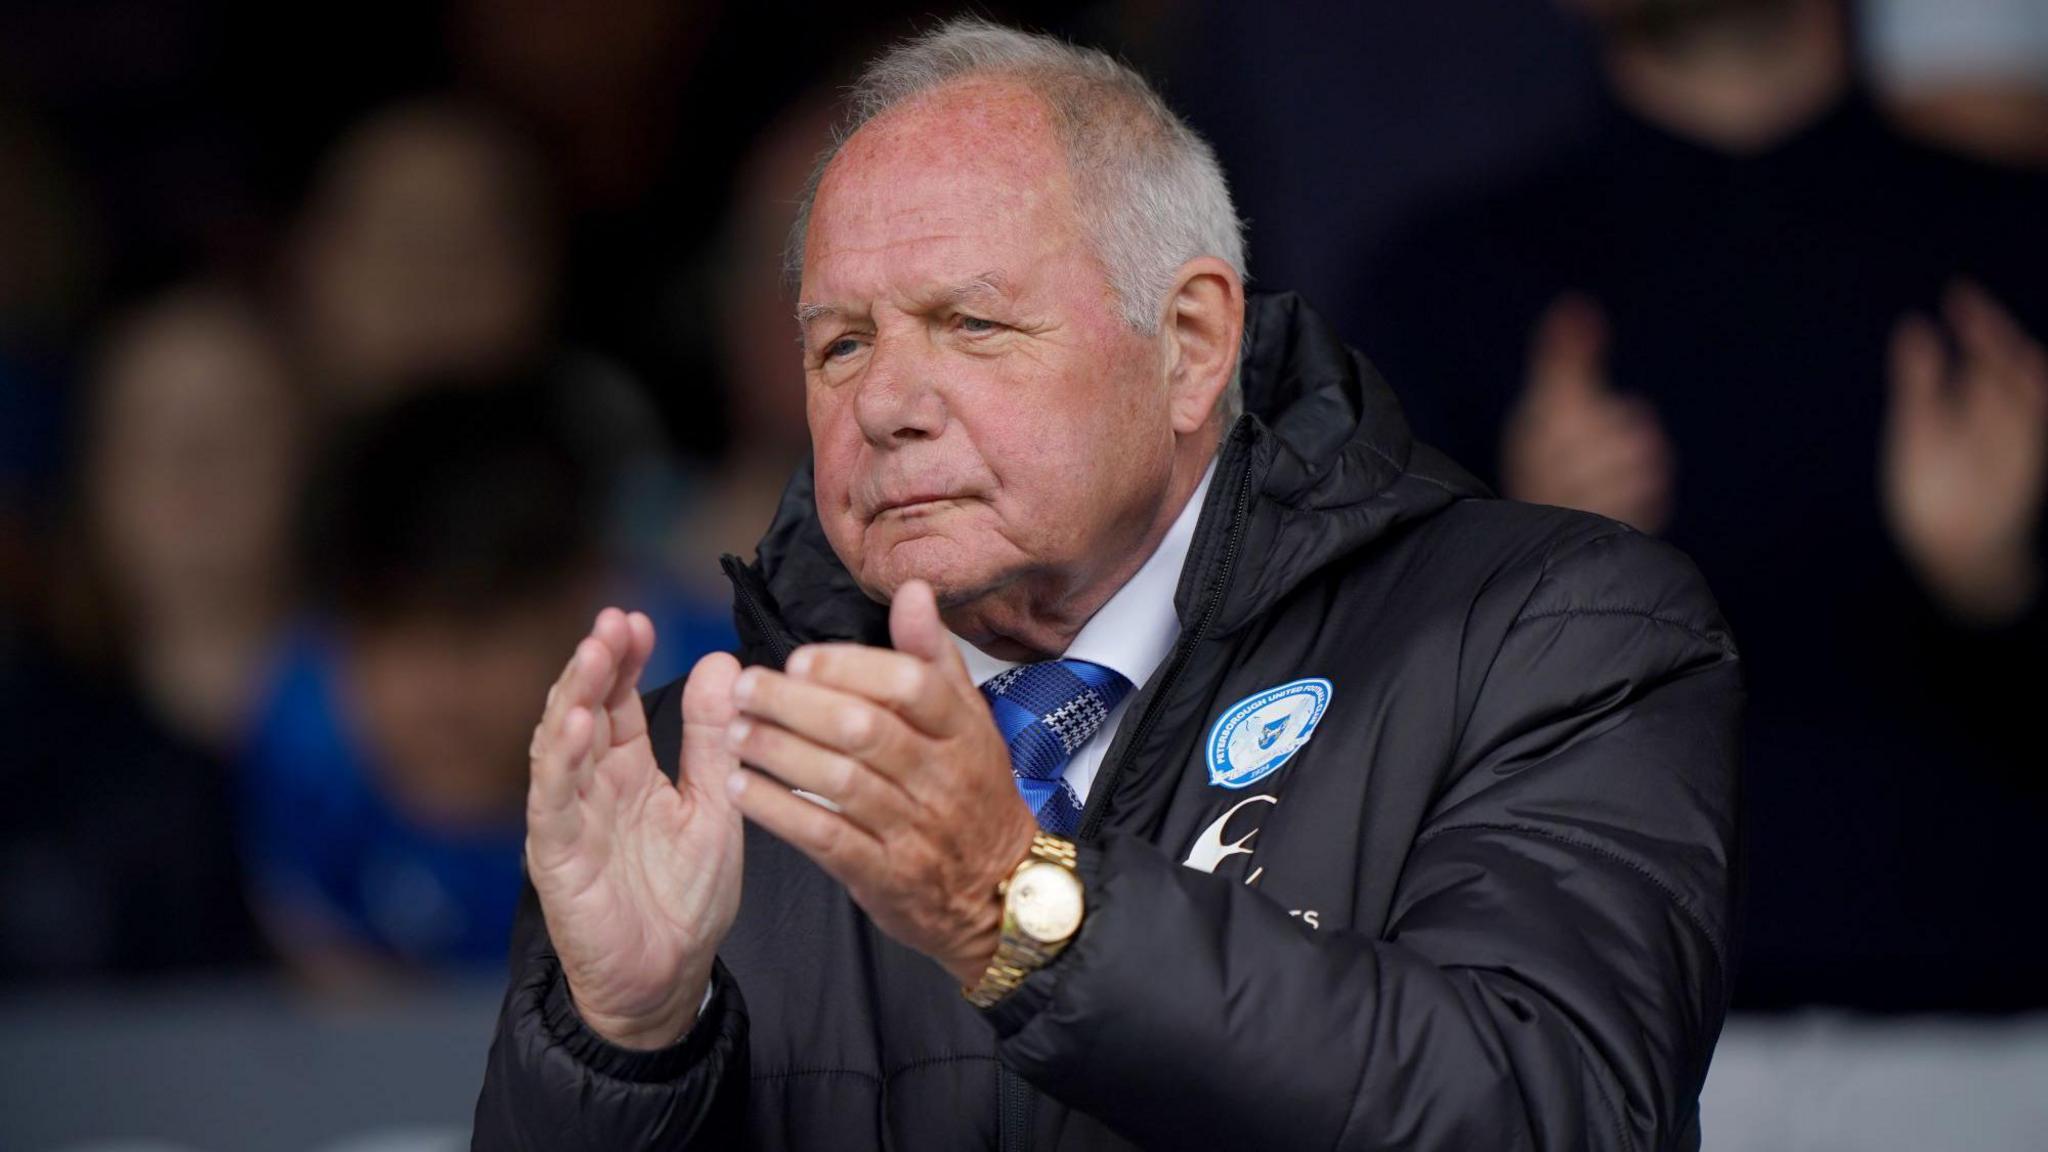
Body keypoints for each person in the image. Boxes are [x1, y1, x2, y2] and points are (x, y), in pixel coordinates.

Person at [475, 19, 1741, 1150]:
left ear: (1188, 345)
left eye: (970, 324)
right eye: (840, 342)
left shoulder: (1545, 635)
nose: (884, 407)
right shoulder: (703, 767)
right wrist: (623, 1045)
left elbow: (1559, 1108)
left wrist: (1018, 911)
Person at [1356, 0, 2048, 1011]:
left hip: (1992, 1031)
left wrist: (1999, 587)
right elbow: (1328, 764)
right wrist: (1524, 583)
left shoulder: (2012, 255)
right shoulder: (1444, 285)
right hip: (1585, 1041)